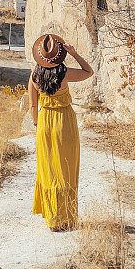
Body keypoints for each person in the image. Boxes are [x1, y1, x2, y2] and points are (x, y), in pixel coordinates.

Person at [29, 33, 94, 231]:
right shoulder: (65, 74)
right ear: (60, 55)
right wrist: (74, 53)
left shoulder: (34, 76)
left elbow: (33, 106)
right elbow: (88, 71)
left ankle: (53, 218)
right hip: (65, 121)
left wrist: (39, 126)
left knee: (49, 171)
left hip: (45, 123)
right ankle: (66, 218)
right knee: (66, 169)